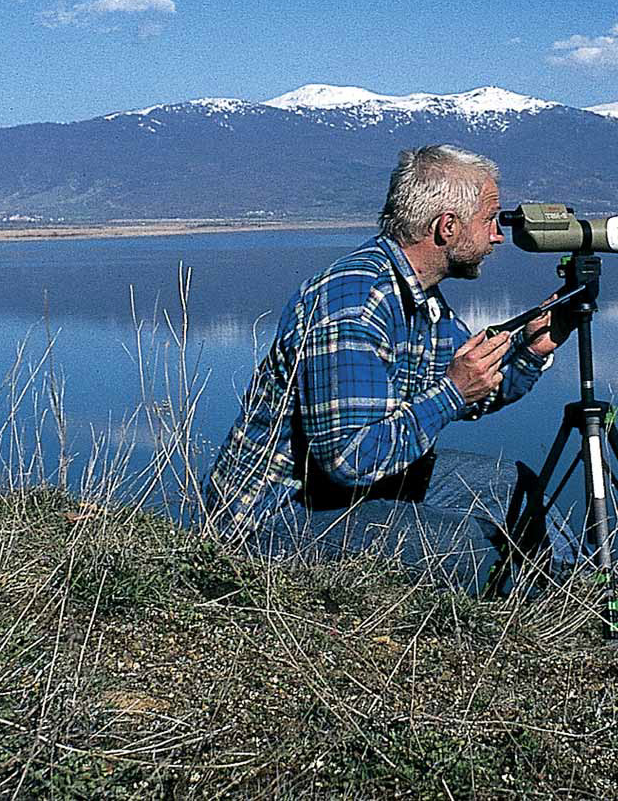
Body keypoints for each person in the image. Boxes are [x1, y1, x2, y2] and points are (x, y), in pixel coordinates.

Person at [203, 144, 573, 567]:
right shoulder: (356, 304)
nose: (497, 236)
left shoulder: (416, 295)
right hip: (273, 523)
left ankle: (576, 589)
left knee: (514, 488)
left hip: (344, 493)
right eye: (489, 219)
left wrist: (530, 350)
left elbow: (474, 386)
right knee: (478, 547)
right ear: (447, 226)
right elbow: (350, 459)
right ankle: (548, 596)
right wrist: (452, 392)